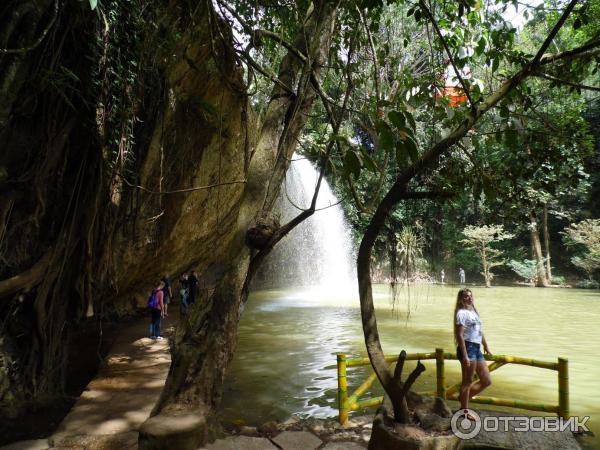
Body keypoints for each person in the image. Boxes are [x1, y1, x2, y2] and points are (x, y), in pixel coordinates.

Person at [454, 288, 491, 415]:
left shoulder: (474, 312)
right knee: (467, 381)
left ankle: (463, 399)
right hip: (467, 348)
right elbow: (459, 335)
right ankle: (464, 411)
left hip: (477, 348)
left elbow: (479, 331)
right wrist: (464, 356)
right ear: (461, 299)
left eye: (470, 296)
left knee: (486, 380)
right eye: (466, 296)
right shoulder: (461, 313)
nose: (469, 298)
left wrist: (485, 345)